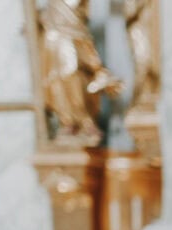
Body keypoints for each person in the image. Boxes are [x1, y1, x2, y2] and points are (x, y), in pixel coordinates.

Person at [37, 0, 122, 147]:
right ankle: (67, 122)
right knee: (53, 79)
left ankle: (85, 120)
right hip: (52, 31)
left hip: (72, 27)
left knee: (72, 73)